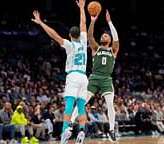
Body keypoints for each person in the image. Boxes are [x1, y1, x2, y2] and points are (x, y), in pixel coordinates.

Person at [31, 0, 88, 143]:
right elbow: (83, 24)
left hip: (73, 75)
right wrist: (82, 8)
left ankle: (65, 132)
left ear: (70, 35)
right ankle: (81, 131)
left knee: (69, 104)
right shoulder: (84, 41)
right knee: (81, 107)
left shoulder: (69, 44)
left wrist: (41, 23)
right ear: (79, 35)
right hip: (84, 77)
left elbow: (54, 35)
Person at [71, 10, 119, 143]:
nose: (104, 37)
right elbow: (90, 35)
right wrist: (92, 21)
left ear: (109, 40)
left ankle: (111, 130)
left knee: (110, 103)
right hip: (94, 77)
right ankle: (69, 123)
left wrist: (109, 22)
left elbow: (116, 38)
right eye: (103, 36)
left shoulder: (114, 49)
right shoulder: (95, 48)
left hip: (106, 79)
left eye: (106, 36)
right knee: (83, 101)